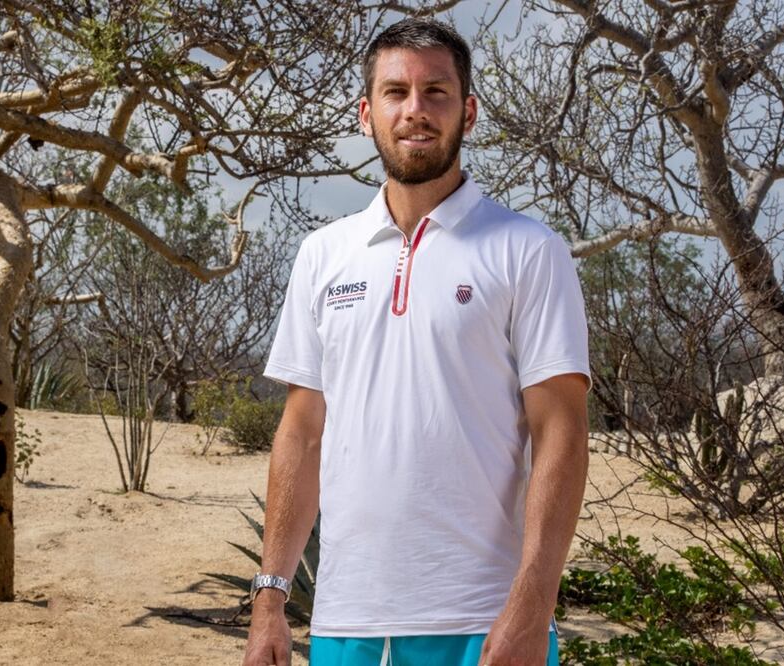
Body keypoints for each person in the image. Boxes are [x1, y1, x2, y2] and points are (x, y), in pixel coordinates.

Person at [243, 18, 590, 666]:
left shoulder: (528, 251)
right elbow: (302, 431)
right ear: (365, 112)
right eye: (396, 92)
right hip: (344, 623)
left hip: (483, 622)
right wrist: (270, 599)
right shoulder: (324, 254)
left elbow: (562, 431)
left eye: (436, 92)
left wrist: (533, 603)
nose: (415, 110)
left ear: (469, 110)